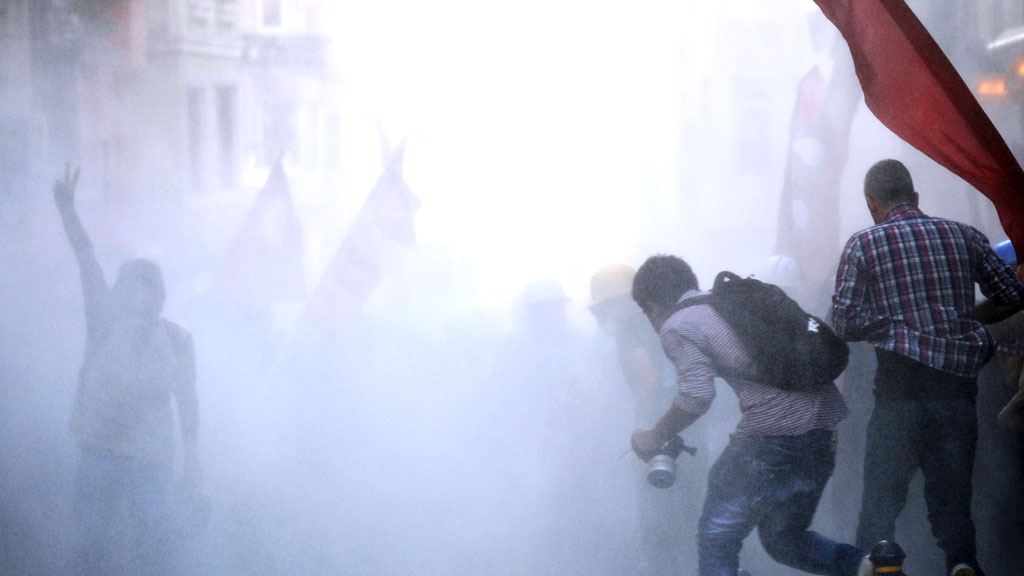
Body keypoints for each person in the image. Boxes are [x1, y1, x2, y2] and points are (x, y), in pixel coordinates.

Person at [831, 159, 1024, 576]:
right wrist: (966, 317)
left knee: (881, 506)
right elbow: (1013, 295)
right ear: (915, 197)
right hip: (957, 393)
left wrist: (891, 321)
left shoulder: (863, 245)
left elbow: (844, 324)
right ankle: (962, 564)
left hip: (899, 392)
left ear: (871, 203)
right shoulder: (964, 235)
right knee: (952, 506)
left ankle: (882, 567)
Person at [629, 254, 870, 576]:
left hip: (772, 438)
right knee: (784, 539)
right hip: (822, 432)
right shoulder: (731, 304)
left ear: (652, 306)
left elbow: (696, 396)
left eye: (647, 312)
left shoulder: (678, 325)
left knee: (717, 536)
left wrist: (655, 436)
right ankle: (871, 567)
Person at [53, 165, 201, 576]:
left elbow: (188, 403)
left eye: (150, 287)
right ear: (120, 292)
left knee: (156, 544)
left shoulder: (178, 340)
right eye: (133, 286)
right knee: (90, 543)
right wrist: (67, 210)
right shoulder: (103, 319)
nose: (142, 296)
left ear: (160, 296)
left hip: (151, 457)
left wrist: (192, 462)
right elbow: (86, 258)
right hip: (101, 449)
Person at [589, 264, 688, 576]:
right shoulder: (657, 323)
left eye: (606, 305)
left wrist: (644, 431)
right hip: (683, 429)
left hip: (661, 439)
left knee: (658, 519)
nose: (603, 314)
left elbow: (648, 379)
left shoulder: (631, 334)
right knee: (689, 510)